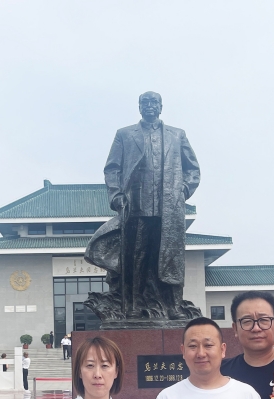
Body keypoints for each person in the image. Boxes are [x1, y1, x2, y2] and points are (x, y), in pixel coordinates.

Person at [84, 91, 202, 321]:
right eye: (145, 102)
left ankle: (173, 306)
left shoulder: (177, 135)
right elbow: (112, 169)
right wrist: (116, 195)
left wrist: (184, 190)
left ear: (161, 106)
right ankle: (132, 306)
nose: (149, 106)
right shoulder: (125, 134)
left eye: (153, 102)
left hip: (169, 208)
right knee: (135, 260)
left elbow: (193, 169)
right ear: (139, 107)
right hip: (136, 205)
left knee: (170, 258)